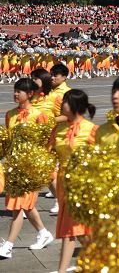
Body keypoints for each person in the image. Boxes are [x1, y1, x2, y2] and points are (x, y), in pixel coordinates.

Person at [0, 79, 55, 259]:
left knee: (18, 206)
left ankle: (8, 245)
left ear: (30, 94)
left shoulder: (39, 115)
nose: (16, 94)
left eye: (20, 91)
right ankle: (44, 233)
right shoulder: (10, 115)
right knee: (25, 205)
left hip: (32, 167)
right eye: (15, 91)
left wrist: (43, 163)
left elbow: (48, 141)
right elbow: (8, 141)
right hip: (14, 167)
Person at [49, 89, 98, 273]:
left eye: (65, 102)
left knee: (73, 227)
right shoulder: (59, 129)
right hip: (63, 183)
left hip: (83, 183)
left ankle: (63, 270)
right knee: (77, 228)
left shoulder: (91, 129)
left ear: (76, 105)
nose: (61, 106)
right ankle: (101, 258)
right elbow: (49, 152)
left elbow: (102, 158)